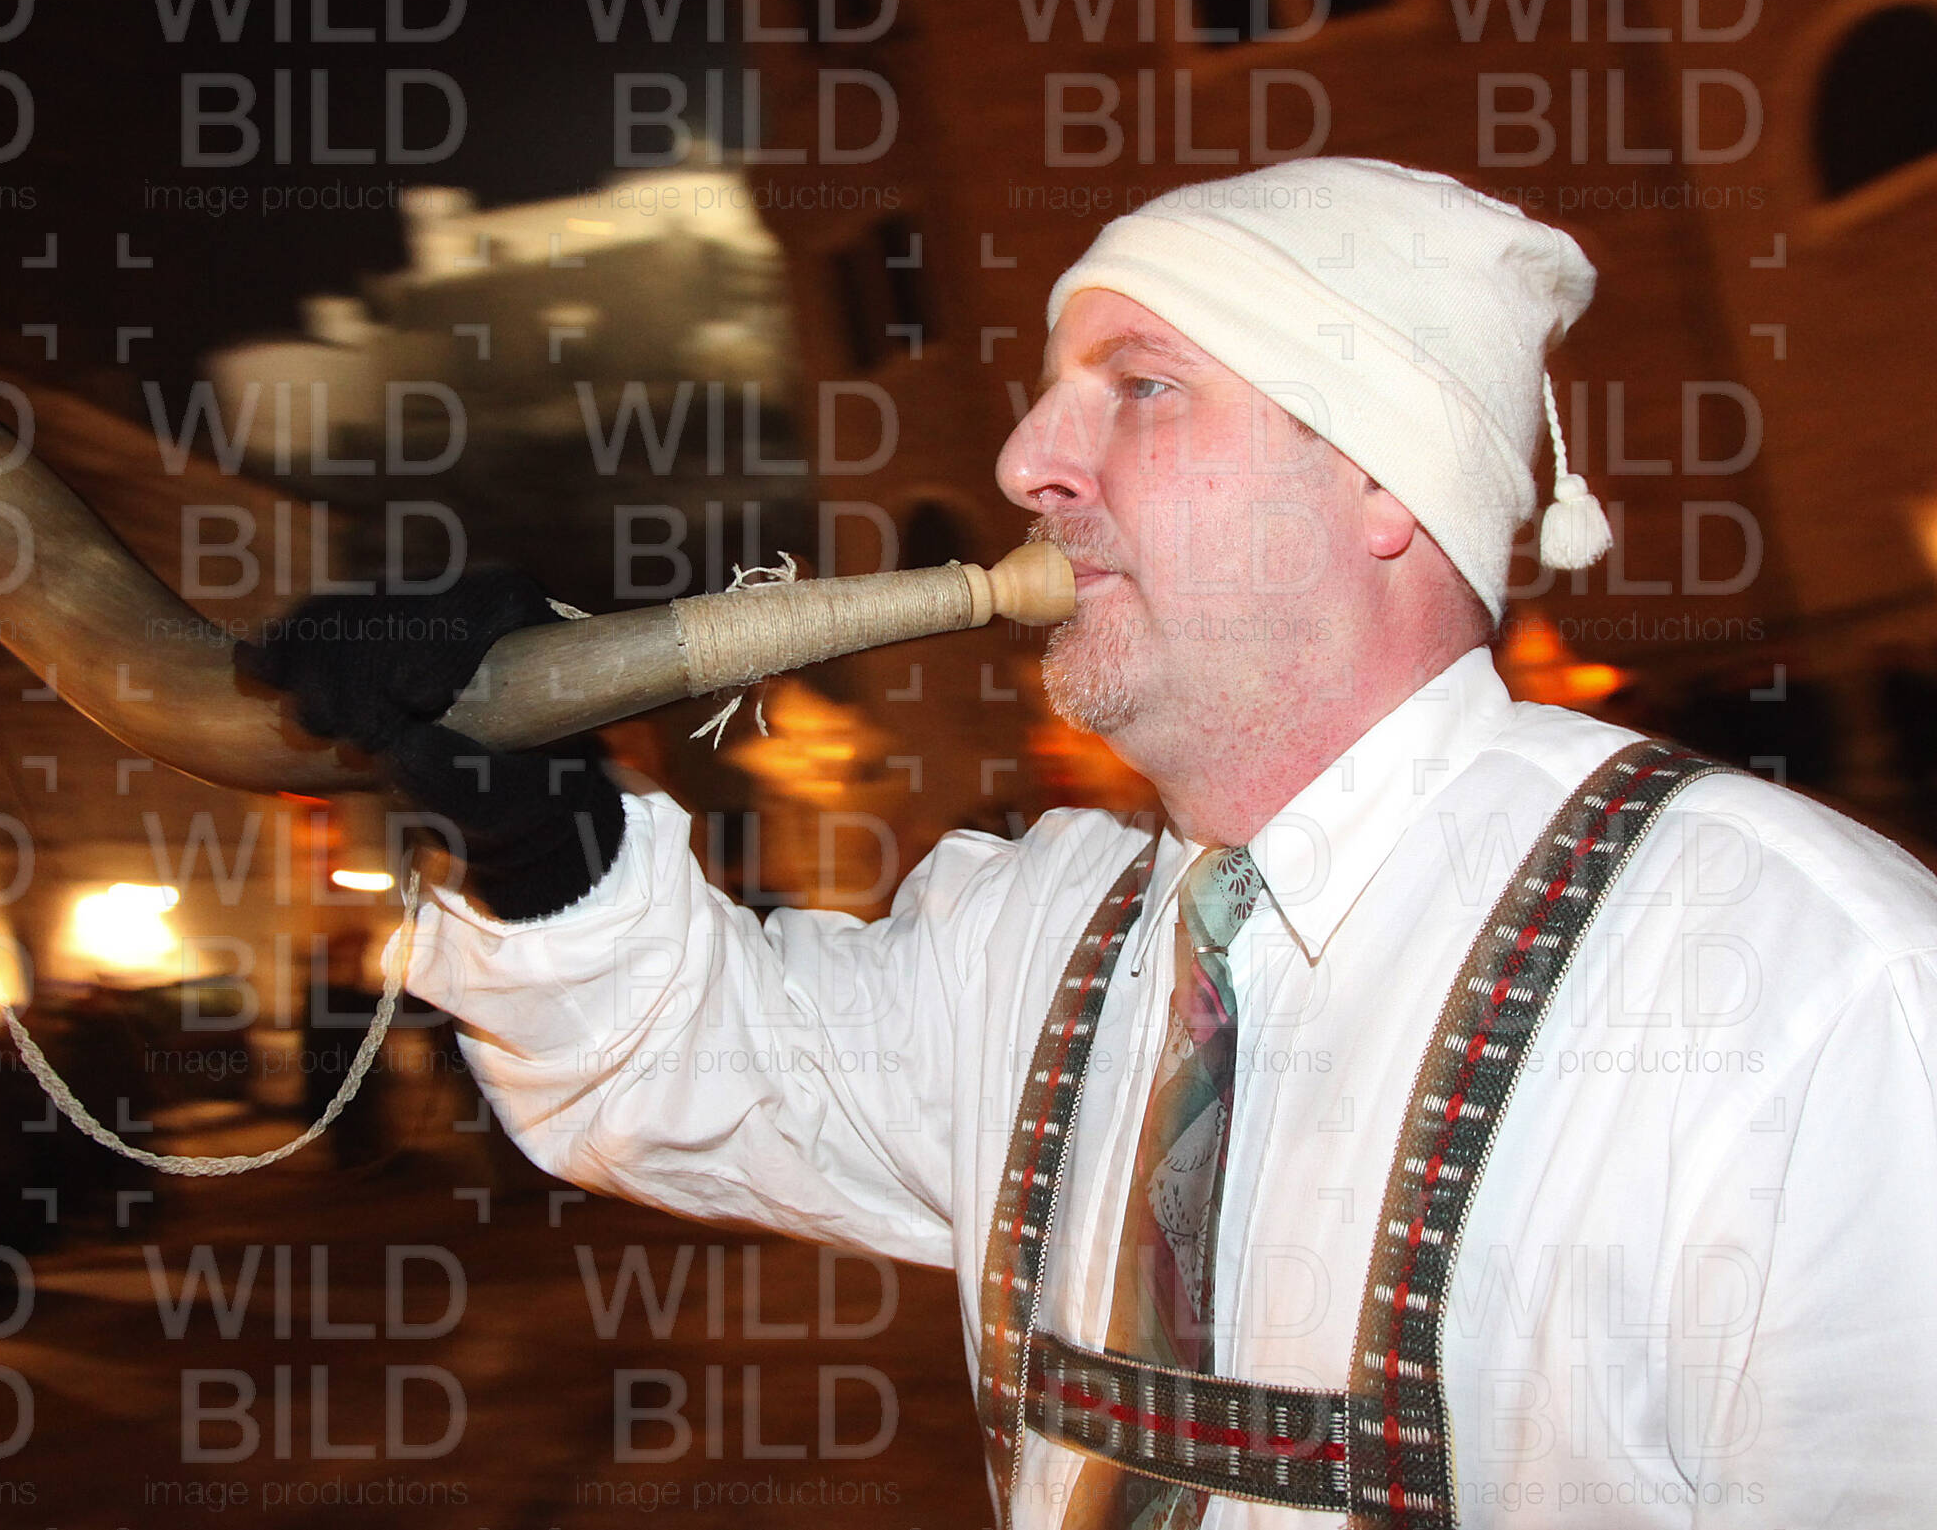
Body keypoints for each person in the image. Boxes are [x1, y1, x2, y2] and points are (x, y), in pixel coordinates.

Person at [241, 159, 1937, 1528]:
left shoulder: (1804, 985)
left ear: (1383, 481)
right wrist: (545, 835)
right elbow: (702, 1069)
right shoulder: (1040, 930)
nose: (1025, 461)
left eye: (1141, 388)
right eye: (1055, 395)